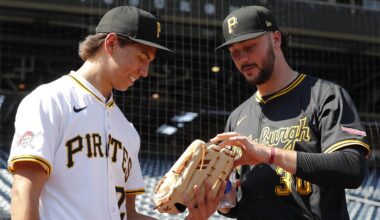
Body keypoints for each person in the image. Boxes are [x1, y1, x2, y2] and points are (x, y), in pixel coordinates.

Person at [185, 5, 370, 220]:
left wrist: (269, 154)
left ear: (276, 39)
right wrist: (225, 202)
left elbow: (351, 168)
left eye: (250, 46)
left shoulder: (325, 95)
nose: (242, 58)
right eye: (234, 51)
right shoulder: (237, 118)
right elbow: (239, 203)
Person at [7, 6, 174, 220]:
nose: (145, 72)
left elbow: (128, 215)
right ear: (111, 43)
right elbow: (23, 195)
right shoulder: (50, 100)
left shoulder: (127, 130)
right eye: (142, 57)